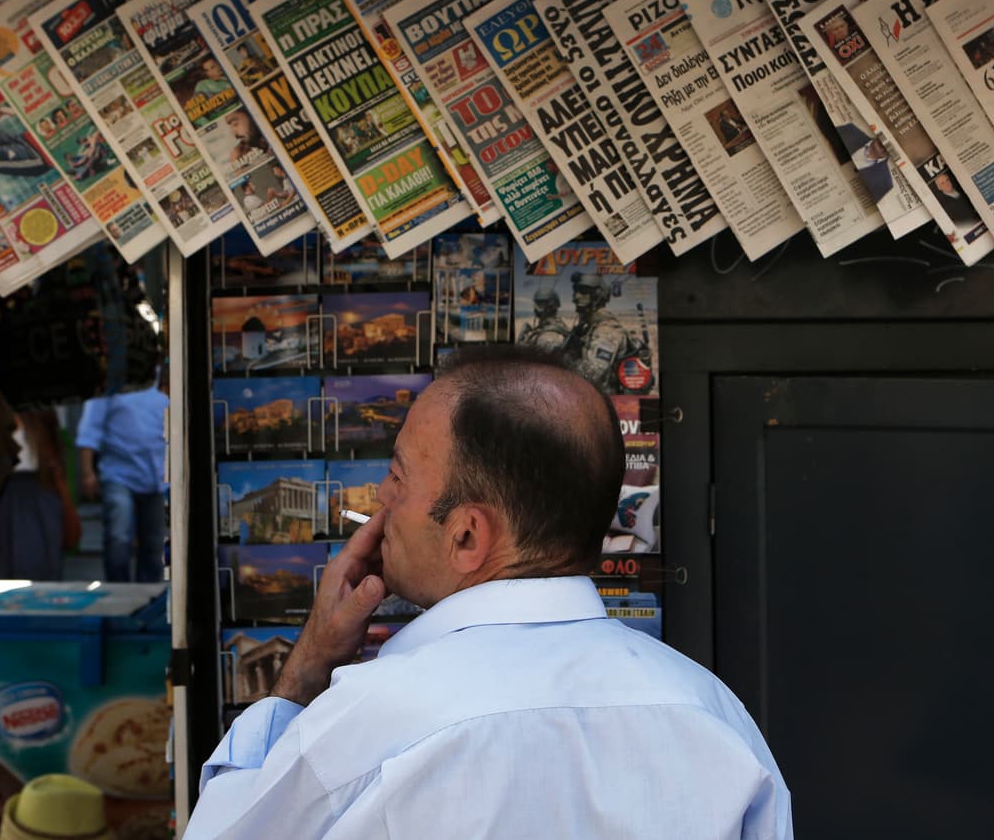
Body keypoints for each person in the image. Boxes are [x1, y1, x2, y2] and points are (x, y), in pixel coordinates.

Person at [184, 347, 793, 838]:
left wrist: (306, 669)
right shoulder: (712, 715)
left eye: (397, 476)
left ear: (468, 535)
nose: (381, 500)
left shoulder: (368, 723)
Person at [76, 387, 169, 583]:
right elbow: (88, 434)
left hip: (155, 478)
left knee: (154, 543)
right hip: (118, 475)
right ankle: (119, 587)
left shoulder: (160, 393)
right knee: (118, 537)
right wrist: (87, 473)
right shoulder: (106, 393)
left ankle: (149, 592)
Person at [0, 409, 79, 581]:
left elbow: (54, 458)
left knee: (39, 558)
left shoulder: (41, 415)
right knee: (7, 559)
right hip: (6, 494)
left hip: (40, 493)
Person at [561, 272, 631, 394]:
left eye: (583, 292)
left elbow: (591, 373)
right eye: (576, 292)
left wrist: (562, 367)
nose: (576, 297)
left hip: (602, 398)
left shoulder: (607, 330)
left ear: (597, 296)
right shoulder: (587, 327)